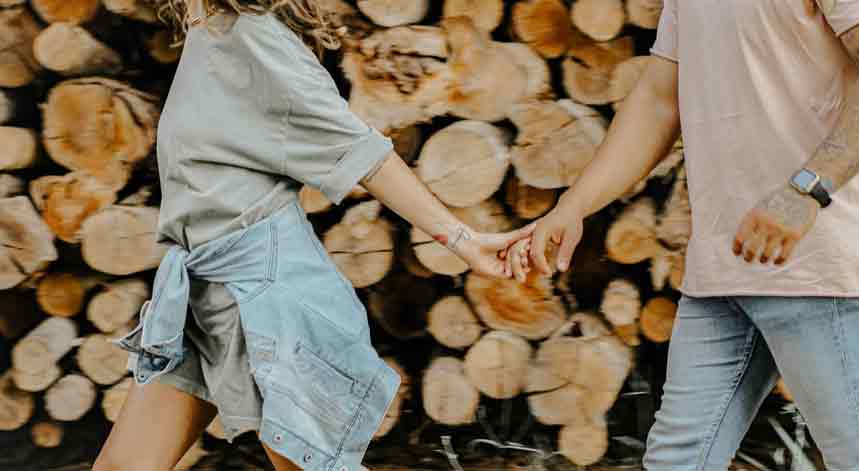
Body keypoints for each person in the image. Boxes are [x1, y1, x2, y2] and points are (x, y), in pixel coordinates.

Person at [91, 1, 533, 470]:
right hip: (200, 297)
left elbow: (361, 151)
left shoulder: (252, 36)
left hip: (264, 300)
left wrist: (462, 239)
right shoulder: (210, 31)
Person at [508, 1, 859, 469]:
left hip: (816, 263)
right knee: (678, 461)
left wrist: (809, 188)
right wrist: (574, 205)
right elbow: (660, 97)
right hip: (725, 265)